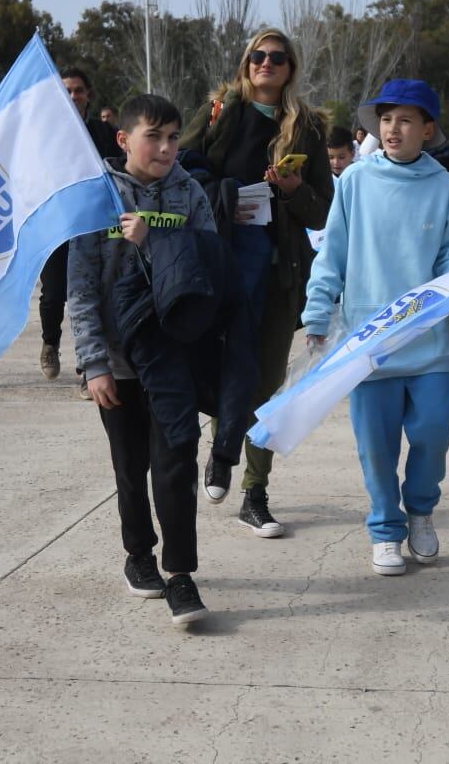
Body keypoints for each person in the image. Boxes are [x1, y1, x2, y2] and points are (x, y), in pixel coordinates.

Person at [302, 79, 449, 576]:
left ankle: (420, 509)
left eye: (406, 120)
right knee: (375, 446)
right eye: (386, 119)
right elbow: (332, 253)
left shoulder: (445, 187)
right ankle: (385, 531)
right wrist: (316, 313)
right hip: (367, 342)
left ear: (428, 129)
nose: (393, 129)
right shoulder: (353, 181)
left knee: (435, 429)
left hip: (427, 340)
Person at [67, 93, 216, 626]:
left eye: (174, 136)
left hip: (171, 356)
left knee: (176, 461)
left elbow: (207, 266)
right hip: (118, 363)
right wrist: (93, 363)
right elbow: (80, 288)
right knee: (131, 467)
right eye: (154, 136)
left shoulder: (189, 193)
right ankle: (139, 554)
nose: (166, 147)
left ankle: (180, 575)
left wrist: (156, 238)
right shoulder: (97, 200)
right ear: (123, 139)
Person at [179, 28, 332, 536]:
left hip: (277, 269)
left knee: (266, 383)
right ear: (246, 62)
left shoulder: (305, 125)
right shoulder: (221, 110)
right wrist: (220, 195)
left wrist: (291, 191)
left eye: (277, 58)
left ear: (291, 68)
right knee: (228, 370)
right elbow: (182, 168)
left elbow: (322, 208)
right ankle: (222, 451)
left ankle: (255, 492)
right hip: (221, 262)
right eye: (258, 56)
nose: (266, 64)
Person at [36, 68, 122, 381]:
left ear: (88, 94)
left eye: (78, 91)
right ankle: (49, 343)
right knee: (53, 294)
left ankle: (87, 366)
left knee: (88, 295)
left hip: (93, 226)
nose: (73, 97)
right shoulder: (44, 133)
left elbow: (119, 170)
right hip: (56, 225)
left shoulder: (103, 132)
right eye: (67, 91)